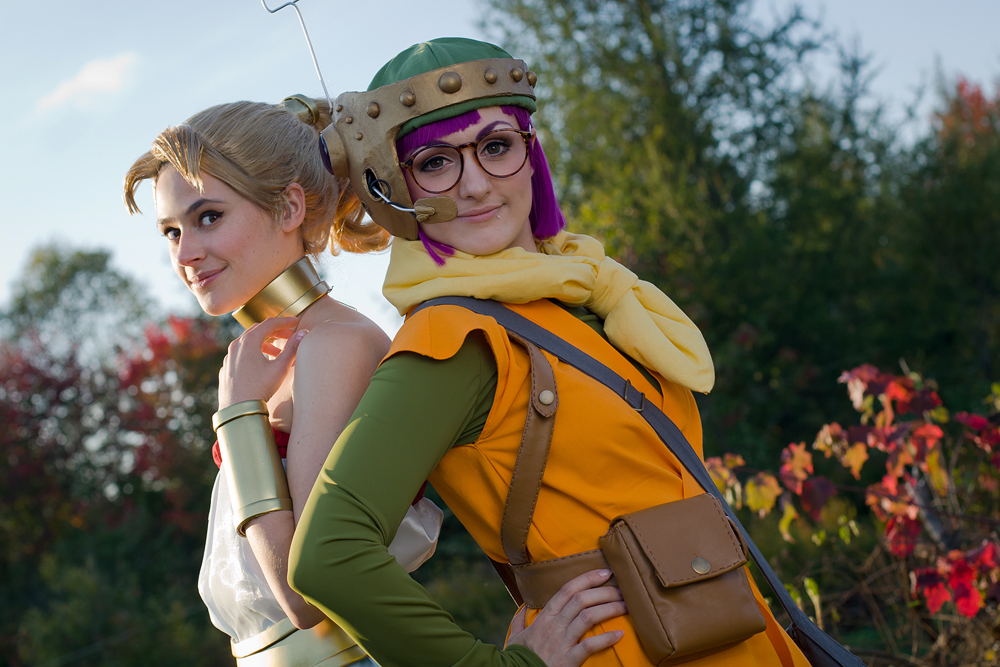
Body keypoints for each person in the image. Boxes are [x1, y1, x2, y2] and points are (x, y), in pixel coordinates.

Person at [229, 38, 816, 667]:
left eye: (496, 147)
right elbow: (328, 556)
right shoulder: (454, 337)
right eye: (435, 162)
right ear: (396, 187)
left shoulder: (584, 297)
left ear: (530, 154)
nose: (476, 184)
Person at [122, 96, 444, 666]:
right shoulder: (282, 354)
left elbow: (306, 592)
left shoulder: (335, 344)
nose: (186, 253)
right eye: (171, 231)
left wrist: (239, 413)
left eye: (208, 217)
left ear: (290, 206)